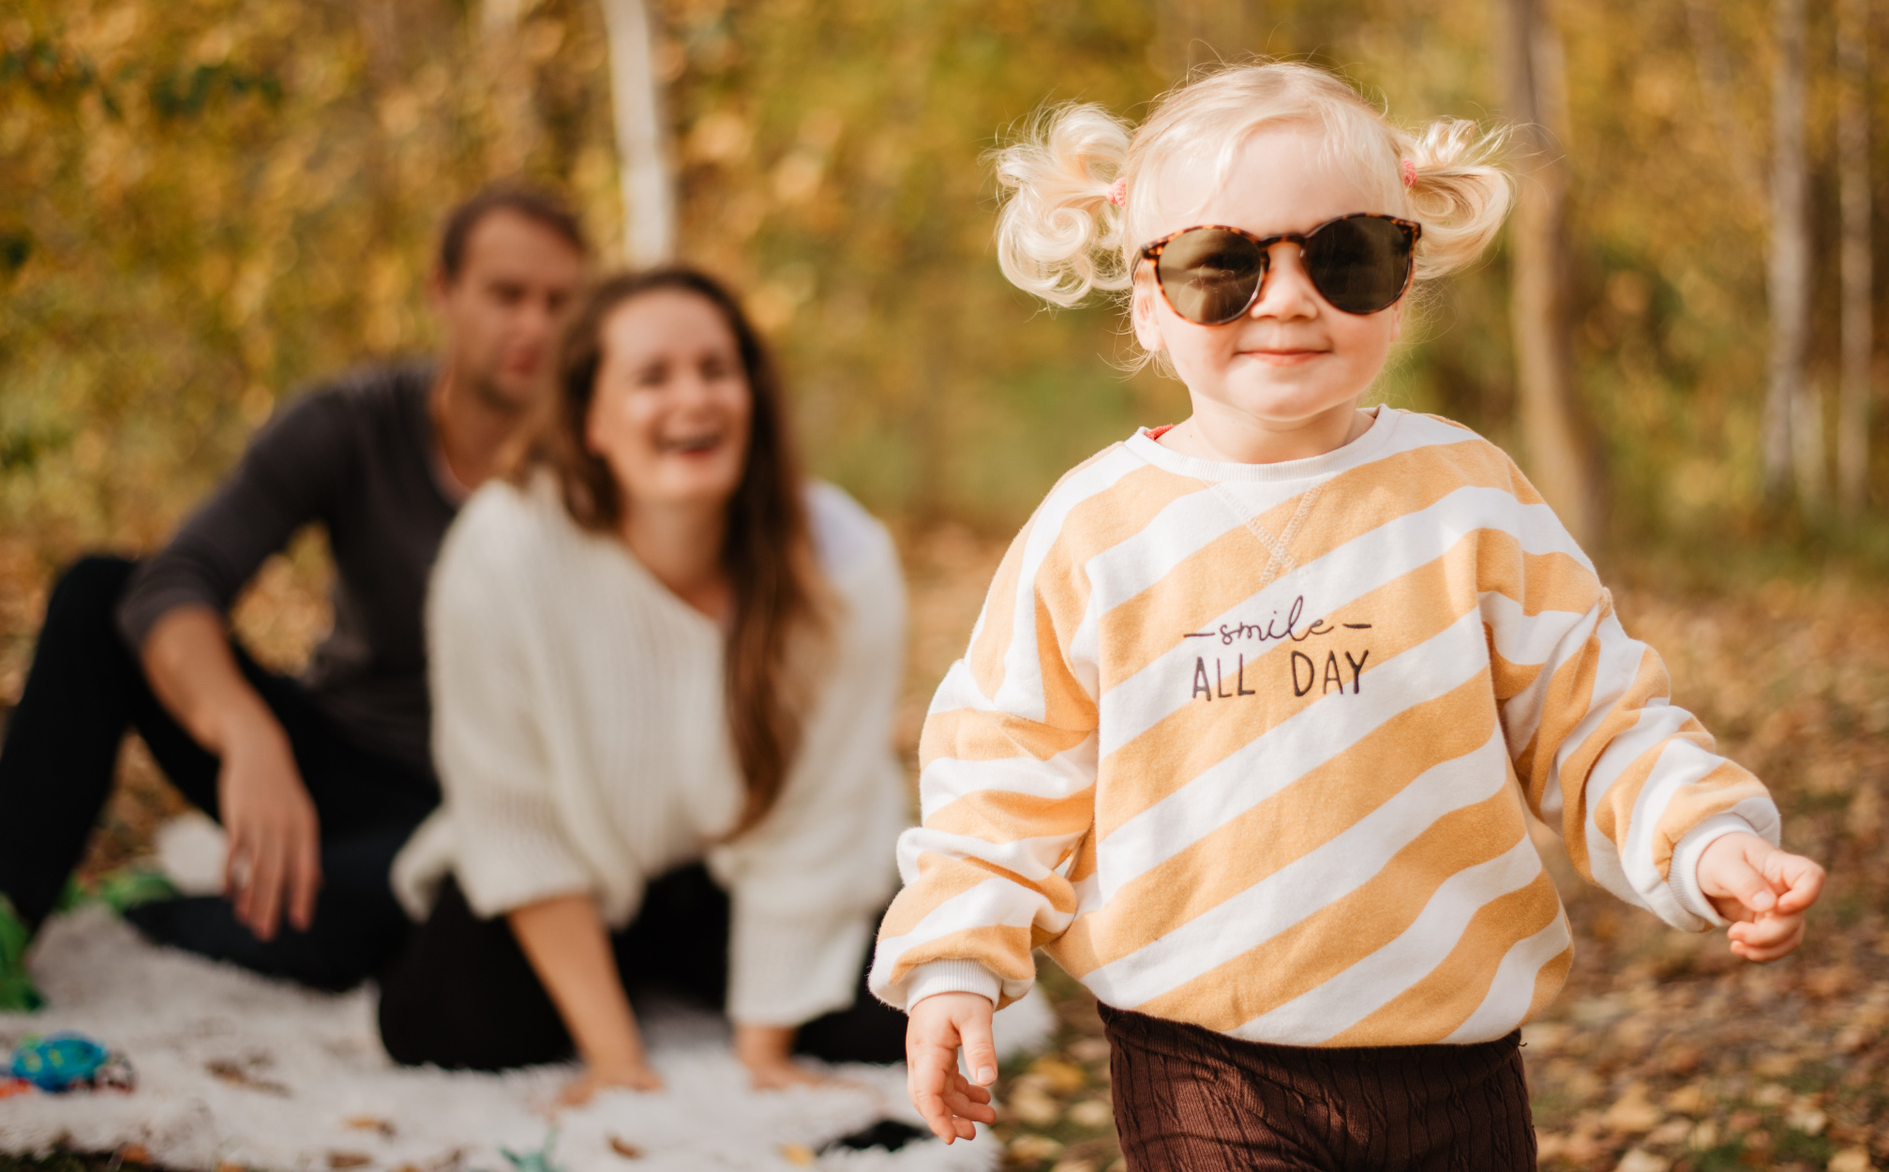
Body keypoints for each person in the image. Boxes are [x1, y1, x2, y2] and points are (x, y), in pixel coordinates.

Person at [872, 62, 1827, 1170]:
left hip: (1453, 1051)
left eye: (1346, 257)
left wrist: (1702, 837)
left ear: (1403, 280)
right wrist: (957, 956)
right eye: (1221, 264)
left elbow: (1591, 717)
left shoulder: (1466, 497)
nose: (1285, 299)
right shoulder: (1095, 531)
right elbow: (1005, 765)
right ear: (1147, 298)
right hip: (1200, 1052)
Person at [0, 186, 588, 1004]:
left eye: (560, 303)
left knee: (372, 924)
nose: (535, 327)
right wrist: (247, 734)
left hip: (481, 801)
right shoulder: (353, 422)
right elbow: (174, 582)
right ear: (443, 291)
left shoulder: (605, 457)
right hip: (331, 750)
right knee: (98, 594)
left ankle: (158, 909)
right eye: (507, 295)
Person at [376, 267, 910, 1097]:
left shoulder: (843, 564)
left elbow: (816, 819)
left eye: (716, 370)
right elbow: (514, 814)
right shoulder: (504, 550)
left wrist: (764, 1055)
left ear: (752, 398)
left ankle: (716, 987)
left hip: (744, 873)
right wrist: (615, 1057)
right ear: (590, 420)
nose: (692, 398)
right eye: (652, 377)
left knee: (894, 1017)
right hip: (581, 870)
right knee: (443, 1023)